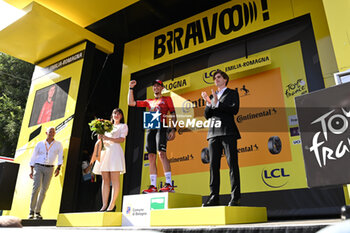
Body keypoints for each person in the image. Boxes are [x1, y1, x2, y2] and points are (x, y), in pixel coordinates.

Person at [128, 79, 177, 193]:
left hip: (161, 126)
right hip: (150, 127)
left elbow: (173, 115)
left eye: (158, 86)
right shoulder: (148, 101)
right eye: (154, 86)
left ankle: (169, 184)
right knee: (151, 156)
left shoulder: (167, 99)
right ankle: (153, 186)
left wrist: (173, 129)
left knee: (162, 154)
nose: (156, 88)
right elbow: (131, 103)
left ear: (162, 88)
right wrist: (131, 89)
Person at [201, 70, 241, 206]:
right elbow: (207, 115)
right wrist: (208, 103)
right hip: (213, 134)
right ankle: (214, 197)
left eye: (218, 77)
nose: (216, 80)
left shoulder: (232, 93)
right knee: (213, 167)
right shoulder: (213, 97)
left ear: (225, 79)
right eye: (214, 78)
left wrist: (218, 104)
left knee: (232, 165)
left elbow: (234, 109)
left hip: (228, 132)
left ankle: (235, 197)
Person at [90, 108, 128, 212]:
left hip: (115, 152)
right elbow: (101, 139)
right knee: (105, 179)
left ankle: (112, 204)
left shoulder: (123, 126)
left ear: (121, 116)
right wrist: (100, 137)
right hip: (104, 152)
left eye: (119, 114)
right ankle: (104, 204)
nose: (116, 115)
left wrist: (108, 139)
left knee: (115, 180)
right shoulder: (106, 126)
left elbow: (122, 139)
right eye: (115, 113)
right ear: (112, 115)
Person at [29, 127, 63, 219]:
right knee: (36, 188)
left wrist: (58, 168)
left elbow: (60, 157)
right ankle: (31, 211)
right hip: (38, 166)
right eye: (50, 131)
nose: (52, 133)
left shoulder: (58, 144)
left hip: (50, 168)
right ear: (46, 133)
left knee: (44, 190)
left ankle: (37, 212)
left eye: (53, 132)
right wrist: (31, 170)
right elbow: (33, 157)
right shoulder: (39, 144)